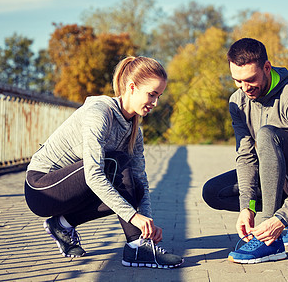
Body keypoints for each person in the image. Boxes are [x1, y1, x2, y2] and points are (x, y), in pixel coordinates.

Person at [24, 56, 184, 269]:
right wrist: (134, 217)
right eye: (152, 94)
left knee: (134, 187)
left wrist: (147, 223)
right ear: (132, 87)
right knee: (115, 162)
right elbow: (93, 175)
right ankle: (136, 247)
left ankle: (61, 224)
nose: (155, 103)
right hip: (42, 188)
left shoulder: (135, 130)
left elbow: (141, 179)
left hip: (74, 189)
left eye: (159, 96)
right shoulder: (99, 113)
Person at [202, 38, 288, 264]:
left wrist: (280, 219)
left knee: (267, 134)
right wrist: (246, 207)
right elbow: (246, 157)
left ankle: (271, 242)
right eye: (237, 81)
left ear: (267, 67)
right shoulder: (237, 102)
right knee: (214, 192)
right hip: (279, 174)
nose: (245, 88)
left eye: (250, 80)